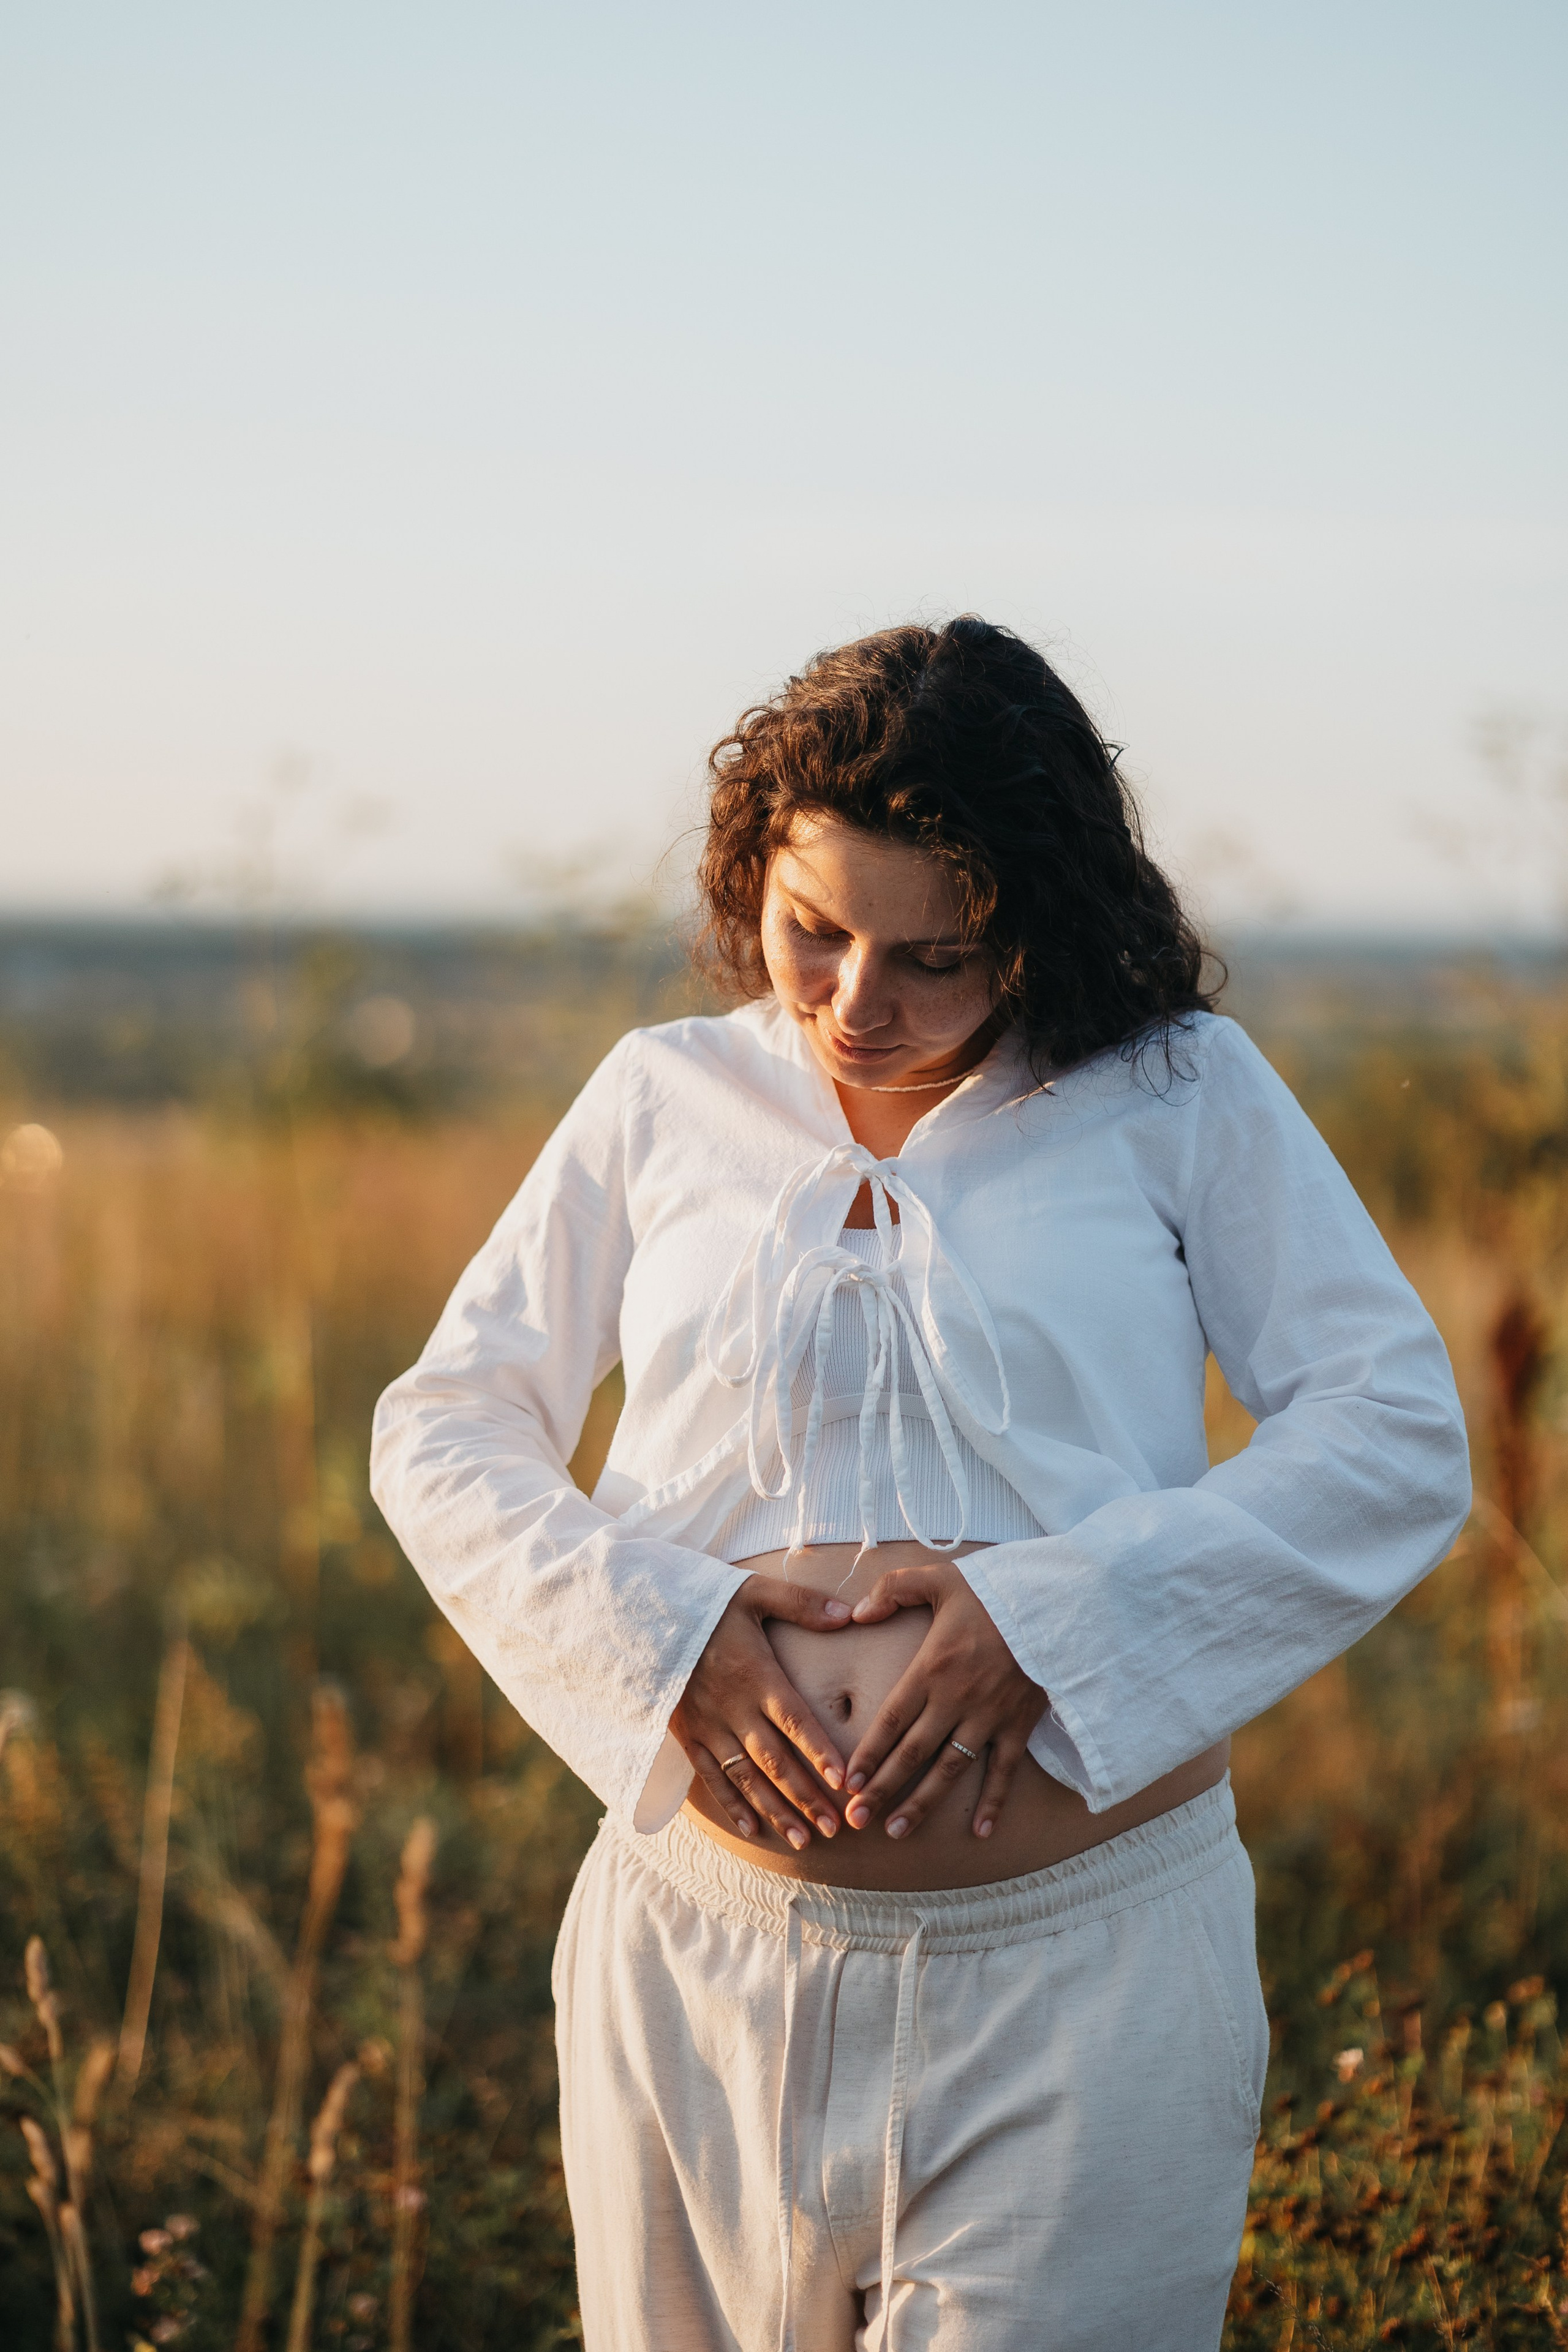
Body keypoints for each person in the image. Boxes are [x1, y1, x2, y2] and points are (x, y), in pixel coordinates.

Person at [370, 618, 1470, 2351]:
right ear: (758, 883)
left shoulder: (1179, 1094)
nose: (855, 1007)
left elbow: (1395, 1431)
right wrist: (665, 1635)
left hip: (1081, 1990)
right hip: (696, 1967)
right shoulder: (663, 1096)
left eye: (937, 957)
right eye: (811, 936)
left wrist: (1062, 1622)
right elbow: (444, 1424)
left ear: (1038, 928)